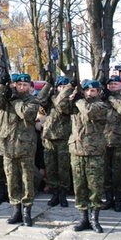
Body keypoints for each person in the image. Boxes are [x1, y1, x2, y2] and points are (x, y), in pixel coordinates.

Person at [0, 73, 47, 226]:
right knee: (11, 179)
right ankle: (15, 210)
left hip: (25, 147)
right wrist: (1, 85)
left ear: (29, 87)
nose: (21, 87)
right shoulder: (6, 100)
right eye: (19, 84)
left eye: (25, 85)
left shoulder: (33, 100)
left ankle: (27, 211)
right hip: (7, 146)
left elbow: (26, 113)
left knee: (27, 180)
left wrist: (14, 100)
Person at [62, 80, 109, 233]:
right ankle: (83, 218)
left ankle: (94, 219)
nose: (90, 93)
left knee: (95, 187)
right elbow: (60, 105)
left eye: (93, 91)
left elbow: (89, 112)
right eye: (87, 90)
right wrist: (70, 89)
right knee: (79, 186)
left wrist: (79, 100)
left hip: (94, 152)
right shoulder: (77, 103)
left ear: (99, 92)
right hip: (77, 150)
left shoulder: (101, 105)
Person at [42, 76, 74, 207]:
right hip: (49, 137)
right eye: (60, 87)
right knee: (51, 168)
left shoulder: (70, 100)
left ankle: (63, 193)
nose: (62, 89)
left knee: (63, 168)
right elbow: (40, 99)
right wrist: (48, 85)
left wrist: (68, 90)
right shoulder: (51, 97)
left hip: (63, 137)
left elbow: (62, 106)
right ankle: (54, 193)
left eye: (65, 87)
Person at [103, 76, 121, 212]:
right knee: (106, 172)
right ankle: (109, 199)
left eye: (115, 83)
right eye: (110, 84)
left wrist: (110, 98)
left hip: (120, 139)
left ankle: (118, 200)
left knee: (119, 172)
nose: (113, 86)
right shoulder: (103, 97)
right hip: (104, 140)